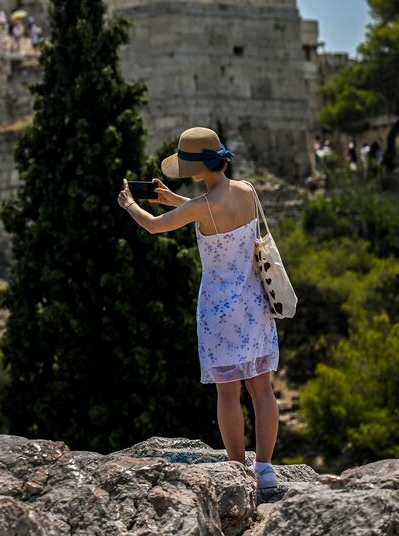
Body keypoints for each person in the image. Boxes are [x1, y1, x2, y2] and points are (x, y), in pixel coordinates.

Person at [117, 127, 281, 491]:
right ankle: (266, 469)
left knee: (227, 392)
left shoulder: (201, 207)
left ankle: (238, 470)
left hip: (220, 311)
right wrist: (174, 199)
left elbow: (157, 227)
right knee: (262, 388)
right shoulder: (248, 191)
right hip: (255, 303)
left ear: (194, 168)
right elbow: (210, 211)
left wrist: (130, 204)